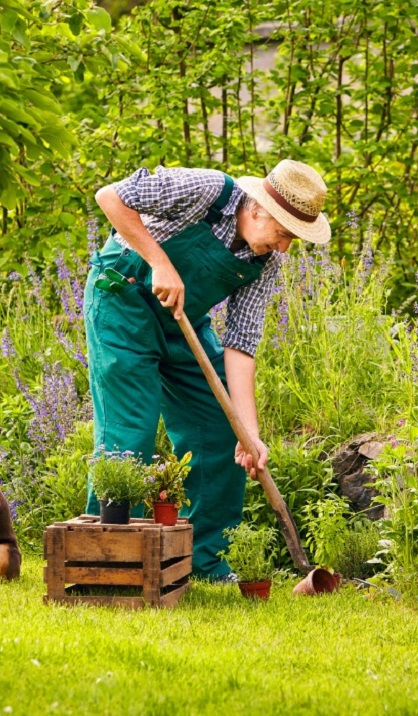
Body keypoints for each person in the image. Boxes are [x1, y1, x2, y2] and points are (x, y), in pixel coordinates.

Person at [83, 159, 331, 580]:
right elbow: (110, 197)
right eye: (284, 233)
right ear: (256, 210)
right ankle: (110, 562)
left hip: (183, 323)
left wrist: (248, 434)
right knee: (130, 436)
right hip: (121, 304)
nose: (285, 247)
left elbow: (241, 344)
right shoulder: (206, 190)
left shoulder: (263, 262)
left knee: (222, 430)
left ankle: (201, 560)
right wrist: (160, 263)